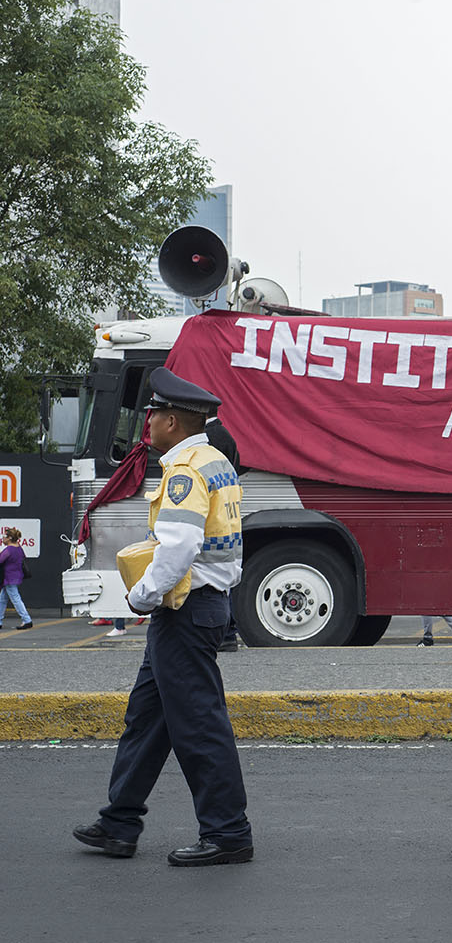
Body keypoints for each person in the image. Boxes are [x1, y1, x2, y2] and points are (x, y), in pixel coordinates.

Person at [73, 368, 252, 866]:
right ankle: (118, 823)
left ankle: (228, 833)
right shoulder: (215, 459)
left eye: (152, 414)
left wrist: (141, 598)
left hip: (187, 608)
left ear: (172, 420)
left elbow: (179, 545)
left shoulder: (185, 470)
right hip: (199, 606)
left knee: (198, 724)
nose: (146, 422)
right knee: (147, 719)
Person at [205, 410, 246, 652]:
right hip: (228, 510)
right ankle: (229, 632)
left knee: (215, 574)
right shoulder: (224, 434)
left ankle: (225, 632)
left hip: (216, 512)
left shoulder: (209, 437)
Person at [0, 527, 34, 631]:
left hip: (9, 578)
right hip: (16, 577)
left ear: (9, 538)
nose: (2, 538)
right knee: (2, 599)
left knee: (15, 599)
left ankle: (27, 620)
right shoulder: (19, 548)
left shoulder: (8, 550)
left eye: (4, 536)